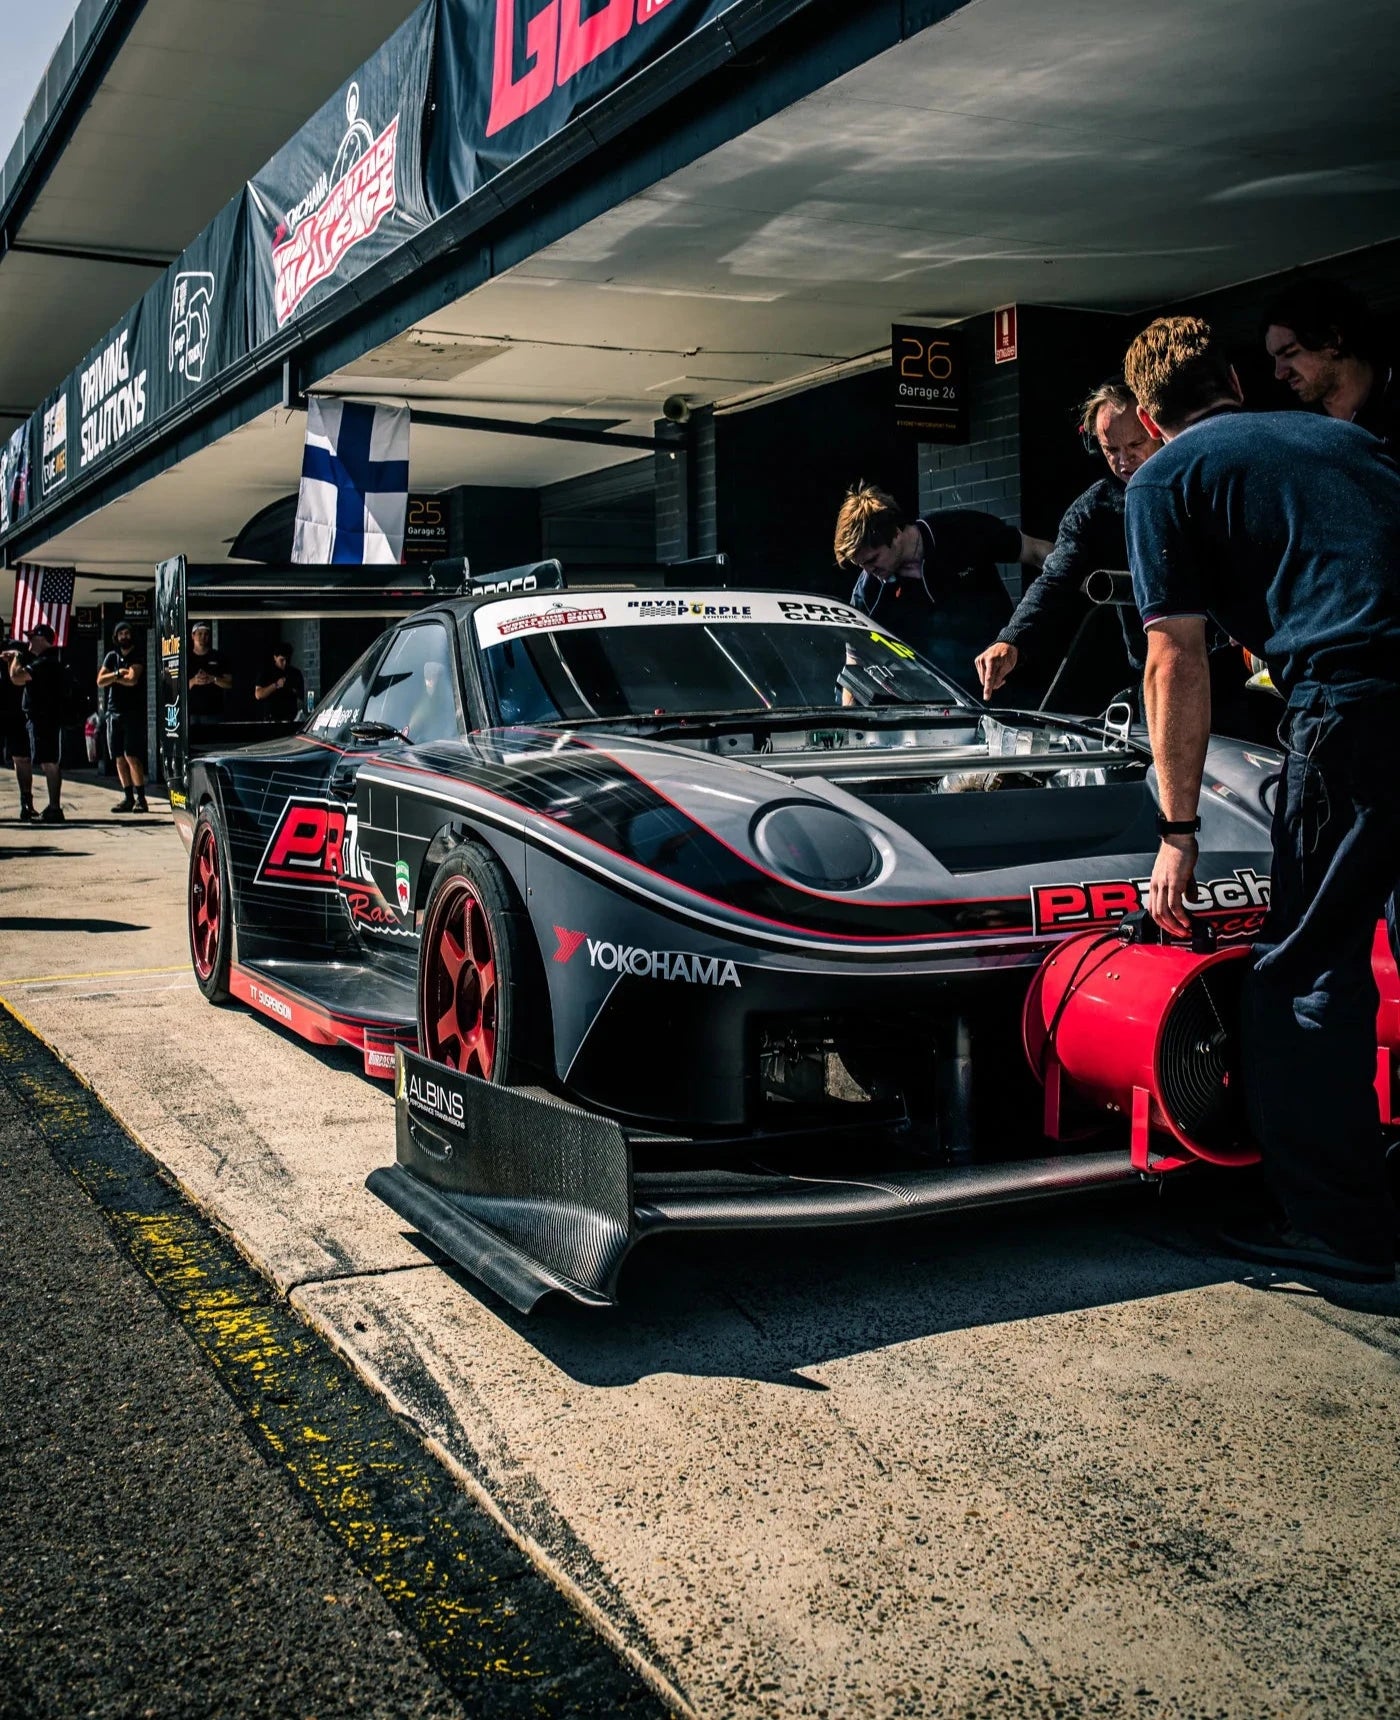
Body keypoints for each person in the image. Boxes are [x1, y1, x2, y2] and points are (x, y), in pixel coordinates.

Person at [1123, 312, 1400, 1284]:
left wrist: (1177, 828)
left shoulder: (1164, 478)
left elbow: (1172, 658)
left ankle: (1340, 1231)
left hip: (1354, 710)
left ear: (1150, 422)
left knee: (1305, 973)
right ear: (1235, 382)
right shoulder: (1347, 440)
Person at [975, 380, 1160, 703]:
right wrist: (1013, 638)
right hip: (1154, 671)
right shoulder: (1093, 510)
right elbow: (1053, 581)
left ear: (1156, 427)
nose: (1123, 460)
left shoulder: (1196, 482)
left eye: (1135, 445)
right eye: (1111, 450)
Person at [833, 484, 1052, 695]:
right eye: (861, 566)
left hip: (1007, 681)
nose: (869, 571)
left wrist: (1084, 581)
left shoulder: (961, 531)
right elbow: (855, 663)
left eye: (872, 559)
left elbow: (1037, 551)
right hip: (940, 706)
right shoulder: (868, 590)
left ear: (896, 533)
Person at [1263, 277, 1397, 446]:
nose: (1279, 373)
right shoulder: (1298, 431)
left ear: (1332, 340)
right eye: (1275, 357)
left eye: (1290, 353)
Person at [6, 623, 66, 822]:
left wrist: (16, 658)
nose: (29, 641)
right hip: (43, 718)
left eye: (33, 637)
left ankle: (55, 808)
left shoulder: (45, 662)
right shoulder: (46, 661)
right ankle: (53, 807)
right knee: (48, 761)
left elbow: (16, 677)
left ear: (42, 639)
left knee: (49, 763)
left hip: (44, 718)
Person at [96, 622, 148, 814]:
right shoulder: (111, 656)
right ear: (116, 637)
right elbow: (100, 680)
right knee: (118, 757)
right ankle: (128, 797)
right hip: (113, 712)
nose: (124, 636)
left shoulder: (137, 655)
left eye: (127, 633)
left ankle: (141, 798)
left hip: (133, 713)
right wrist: (118, 673)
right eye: (121, 634)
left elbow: (133, 679)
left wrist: (114, 678)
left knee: (131, 755)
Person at [0, 636, 35, 820]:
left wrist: (16, 657)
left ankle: (26, 801)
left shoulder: (20, 653)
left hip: (16, 713)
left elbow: (19, 678)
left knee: (21, 759)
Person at [188, 623, 232, 726]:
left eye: (206, 634)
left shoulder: (219, 657)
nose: (203, 637)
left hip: (214, 713)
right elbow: (177, 687)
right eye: (200, 634)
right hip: (190, 713)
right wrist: (194, 681)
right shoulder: (186, 658)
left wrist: (213, 679)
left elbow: (229, 684)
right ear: (193, 636)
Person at [254, 641, 305, 724]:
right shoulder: (266, 672)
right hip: (271, 719)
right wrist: (276, 685)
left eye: (287, 660)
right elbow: (258, 694)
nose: (285, 663)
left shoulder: (295, 673)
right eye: (282, 660)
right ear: (275, 657)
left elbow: (301, 698)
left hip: (291, 719)